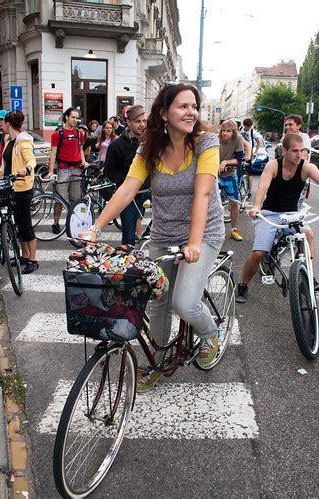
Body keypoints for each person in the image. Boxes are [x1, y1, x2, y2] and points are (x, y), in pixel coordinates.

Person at [79, 82, 225, 391]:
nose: (191, 112)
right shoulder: (149, 147)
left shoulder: (206, 143)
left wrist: (195, 243)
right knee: (158, 301)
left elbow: (202, 194)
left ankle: (211, 332)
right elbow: (128, 188)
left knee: (185, 303)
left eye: (194, 106)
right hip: (163, 233)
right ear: (164, 112)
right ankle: (158, 362)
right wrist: (96, 228)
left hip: (204, 232)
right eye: (183, 106)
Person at [236, 133, 319, 303]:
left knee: (309, 235)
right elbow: (263, 186)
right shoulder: (273, 165)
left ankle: (309, 278)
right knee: (259, 252)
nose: (299, 155)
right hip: (270, 214)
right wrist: (257, 206)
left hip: (292, 215)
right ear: (284, 151)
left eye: (302, 150)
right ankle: (243, 284)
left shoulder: (306, 167)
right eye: (295, 151)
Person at [0, 111, 38, 274]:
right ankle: (25, 256)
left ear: (8, 124)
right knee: (18, 224)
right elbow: (5, 161)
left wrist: (26, 169)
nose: (1, 125)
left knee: (26, 224)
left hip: (22, 187)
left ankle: (33, 260)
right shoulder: (9, 140)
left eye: (3, 123)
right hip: (10, 186)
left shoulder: (23, 141)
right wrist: (1, 171)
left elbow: (31, 160)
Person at [103, 104, 149, 245]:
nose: (142, 125)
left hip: (150, 191)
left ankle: (148, 236)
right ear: (128, 122)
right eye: (138, 121)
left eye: (144, 121)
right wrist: (129, 182)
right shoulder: (116, 146)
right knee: (128, 240)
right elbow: (109, 171)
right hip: (129, 195)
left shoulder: (151, 142)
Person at [48, 107, 88, 234]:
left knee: (75, 199)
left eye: (77, 118)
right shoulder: (57, 133)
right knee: (59, 199)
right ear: (66, 117)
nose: (75, 120)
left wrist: (83, 161)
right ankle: (56, 222)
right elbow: (53, 153)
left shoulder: (79, 133)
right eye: (73, 117)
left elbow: (80, 149)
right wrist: (50, 171)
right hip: (63, 169)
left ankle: (72, 223)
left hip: (76, 169)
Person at [218, 119, 244, 241]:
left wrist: (225, 162)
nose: (224, 133)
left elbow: (239, 159)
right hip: (215, 174)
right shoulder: (216, 139)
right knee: (209, 202)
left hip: (230, 174)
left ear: (233, 132)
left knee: (234, 203)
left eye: (228, 131)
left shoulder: (238, 139)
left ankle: (234, 230)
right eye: (223, 130)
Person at [239, 118, 261, 195]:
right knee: (238, 170)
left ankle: (249, 192)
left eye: (249, 127)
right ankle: (238, 187)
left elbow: (258, 142)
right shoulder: (240, 129)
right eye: (246, 126)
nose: (247, 128)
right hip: (240, 152)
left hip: (248, 154)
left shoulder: (253, 132)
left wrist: (255, 152)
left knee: (249, 173)